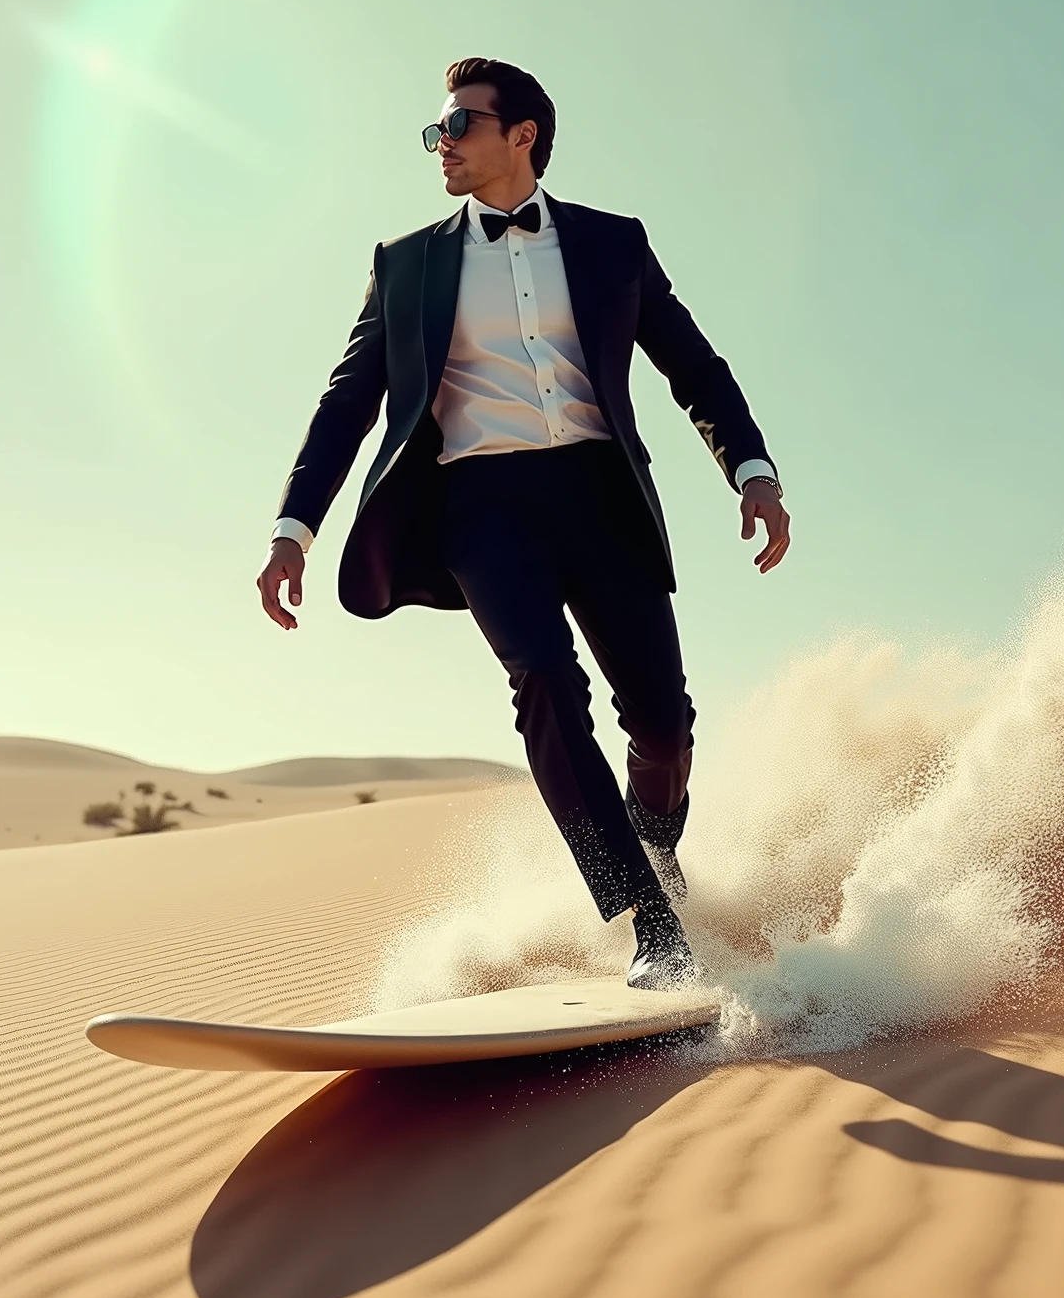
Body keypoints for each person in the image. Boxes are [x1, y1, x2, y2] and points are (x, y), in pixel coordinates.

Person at [257, 57, 788, 988]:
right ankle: (648, 919)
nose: (441, 145)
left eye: (457, 125)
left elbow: (693, 368)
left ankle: (658, 854)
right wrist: (293, 529)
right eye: (436, 130)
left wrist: (750, 470)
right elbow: (348, 400)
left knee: (663, 726)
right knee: (544, 682)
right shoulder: (408, 262)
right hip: (479, 508)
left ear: (521, 136)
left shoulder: (613, 244)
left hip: (601, 497)